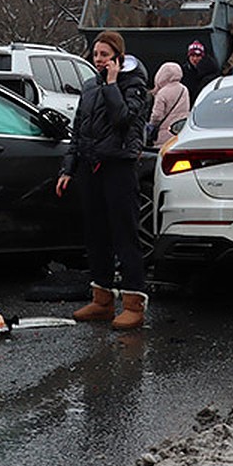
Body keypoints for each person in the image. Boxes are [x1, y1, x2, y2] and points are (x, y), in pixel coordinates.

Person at [55, 30, 151, 330]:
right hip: (90, 165)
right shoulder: (88, 86)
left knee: (124, 233)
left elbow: (123, 119)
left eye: (105, 55)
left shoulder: (133, 84)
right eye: (96, 54)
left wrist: (112, 84)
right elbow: (78, 130)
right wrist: (68, 169)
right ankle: (102, 298)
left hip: (118, 166)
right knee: (96, 235)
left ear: (118, 59)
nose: (98, 60)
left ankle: (134, 301)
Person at [146, 61, 191, 147]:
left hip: (164, 133)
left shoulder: (162, 92)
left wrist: (152, 125)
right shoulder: (184, 89)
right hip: (180, 131)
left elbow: (157, 116)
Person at [181, 39, 220, 104]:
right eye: (192, 56)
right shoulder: (184, 71)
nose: (195, 59)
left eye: (198, 56)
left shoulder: (211, 70)